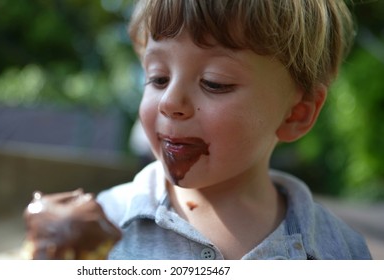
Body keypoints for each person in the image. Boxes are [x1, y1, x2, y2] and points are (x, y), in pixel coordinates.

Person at [25, 0, 372, 259]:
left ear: (297, 113)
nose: (170, 101)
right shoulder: (103, 225)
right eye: (158, 78)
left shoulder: (341, 251)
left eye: (214, 82)